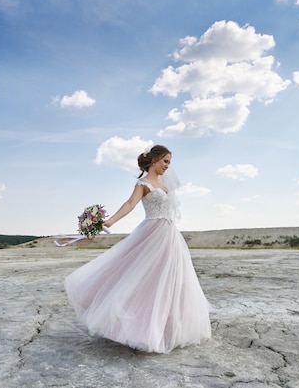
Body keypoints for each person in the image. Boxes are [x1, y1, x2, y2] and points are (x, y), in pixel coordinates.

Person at [64, 145, 211, 354]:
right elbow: (130, 203)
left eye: (170, 162)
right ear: (154, 160)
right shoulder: (143, 183)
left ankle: (166, 328)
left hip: (170, 235)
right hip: (152, 233)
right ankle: (142, 329)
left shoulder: (165, 184)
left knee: (170, 279)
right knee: (145, 277)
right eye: (165, 161)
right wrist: (110, 221)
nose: (168, 166)